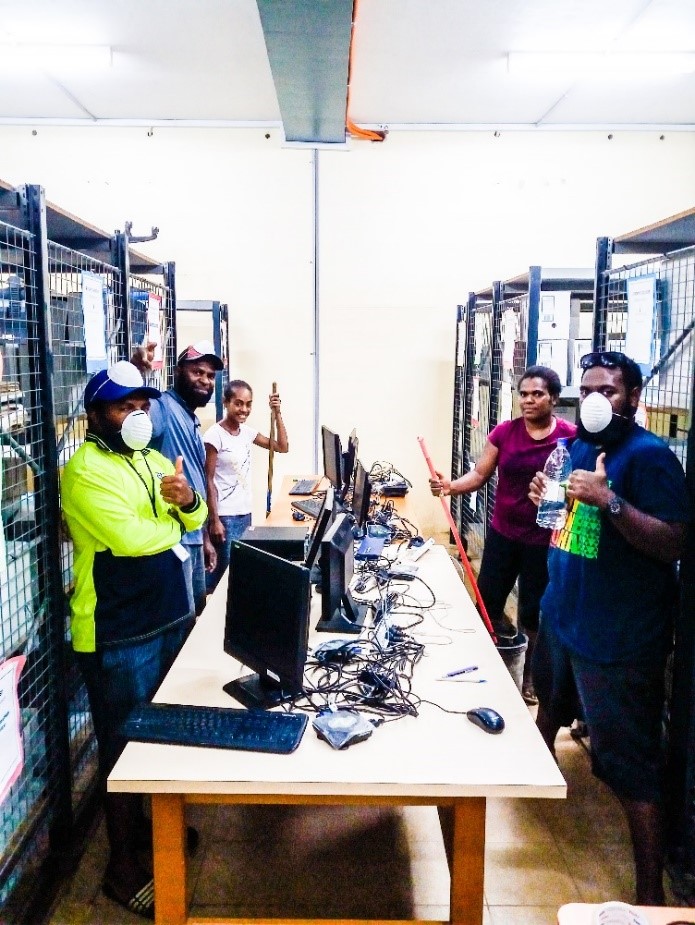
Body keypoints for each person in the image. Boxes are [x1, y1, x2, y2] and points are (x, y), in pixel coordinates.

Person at [529, 350, 689, 906]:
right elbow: (571, 523)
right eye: (588, 389)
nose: (597, 399)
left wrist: (610, 500)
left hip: (617, 638)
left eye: (610, 391)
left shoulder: (651, 458)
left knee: (630, 767)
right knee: (546, 707)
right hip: (564, 612)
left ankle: (650, 896)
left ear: (634, 398)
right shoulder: (577, 446)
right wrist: (549, 502)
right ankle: (531, 788)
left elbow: (673, 541)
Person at [61, 361, 208, 920]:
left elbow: (190, 521)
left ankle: (153, 831)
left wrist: (187, 502)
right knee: (122, 750)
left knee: (160, 737)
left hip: (168, 617)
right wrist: (176, 521)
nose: (137, 415)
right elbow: (129, 539)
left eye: (142, 405)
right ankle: (122, 868)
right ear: (97, 414)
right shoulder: (84, 470)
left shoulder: (152, 459)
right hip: (118, 632)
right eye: (124, 406)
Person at [429, 365, 576, 704]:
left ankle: (530, 679)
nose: (528, 400)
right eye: (523, 394)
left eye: (537, 394)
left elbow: (578, 486)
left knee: (533, 615)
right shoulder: (505, 433)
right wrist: (449, 486)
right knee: (487, 603)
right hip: (504, 535)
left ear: (553, 398)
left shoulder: (570, 436)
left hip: (544, 541)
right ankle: (486, 663)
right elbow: (479, 475)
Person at [131, 340, 223, 616]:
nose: (205, 380)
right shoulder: (162, 407)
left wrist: (205, 537)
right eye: (197, 372)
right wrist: (136, 370)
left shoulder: (190, 418)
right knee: (179, 621)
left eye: (210, 376)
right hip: (174, 540)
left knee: (194, 615)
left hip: (193, 535)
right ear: (179, 370)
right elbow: (132, 419)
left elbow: (196, 482)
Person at [204, 379, 289, 592]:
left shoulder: (246, 432)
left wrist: (277, 413)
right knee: (224, 580)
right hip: (225, 517)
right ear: (226, 402)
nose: (244, 409)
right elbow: (208, 480)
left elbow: (282, 446)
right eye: (238, 403)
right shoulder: (214, 436)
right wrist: (214, 520)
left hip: (245, 513)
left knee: (240, 576)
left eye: (248, 404)